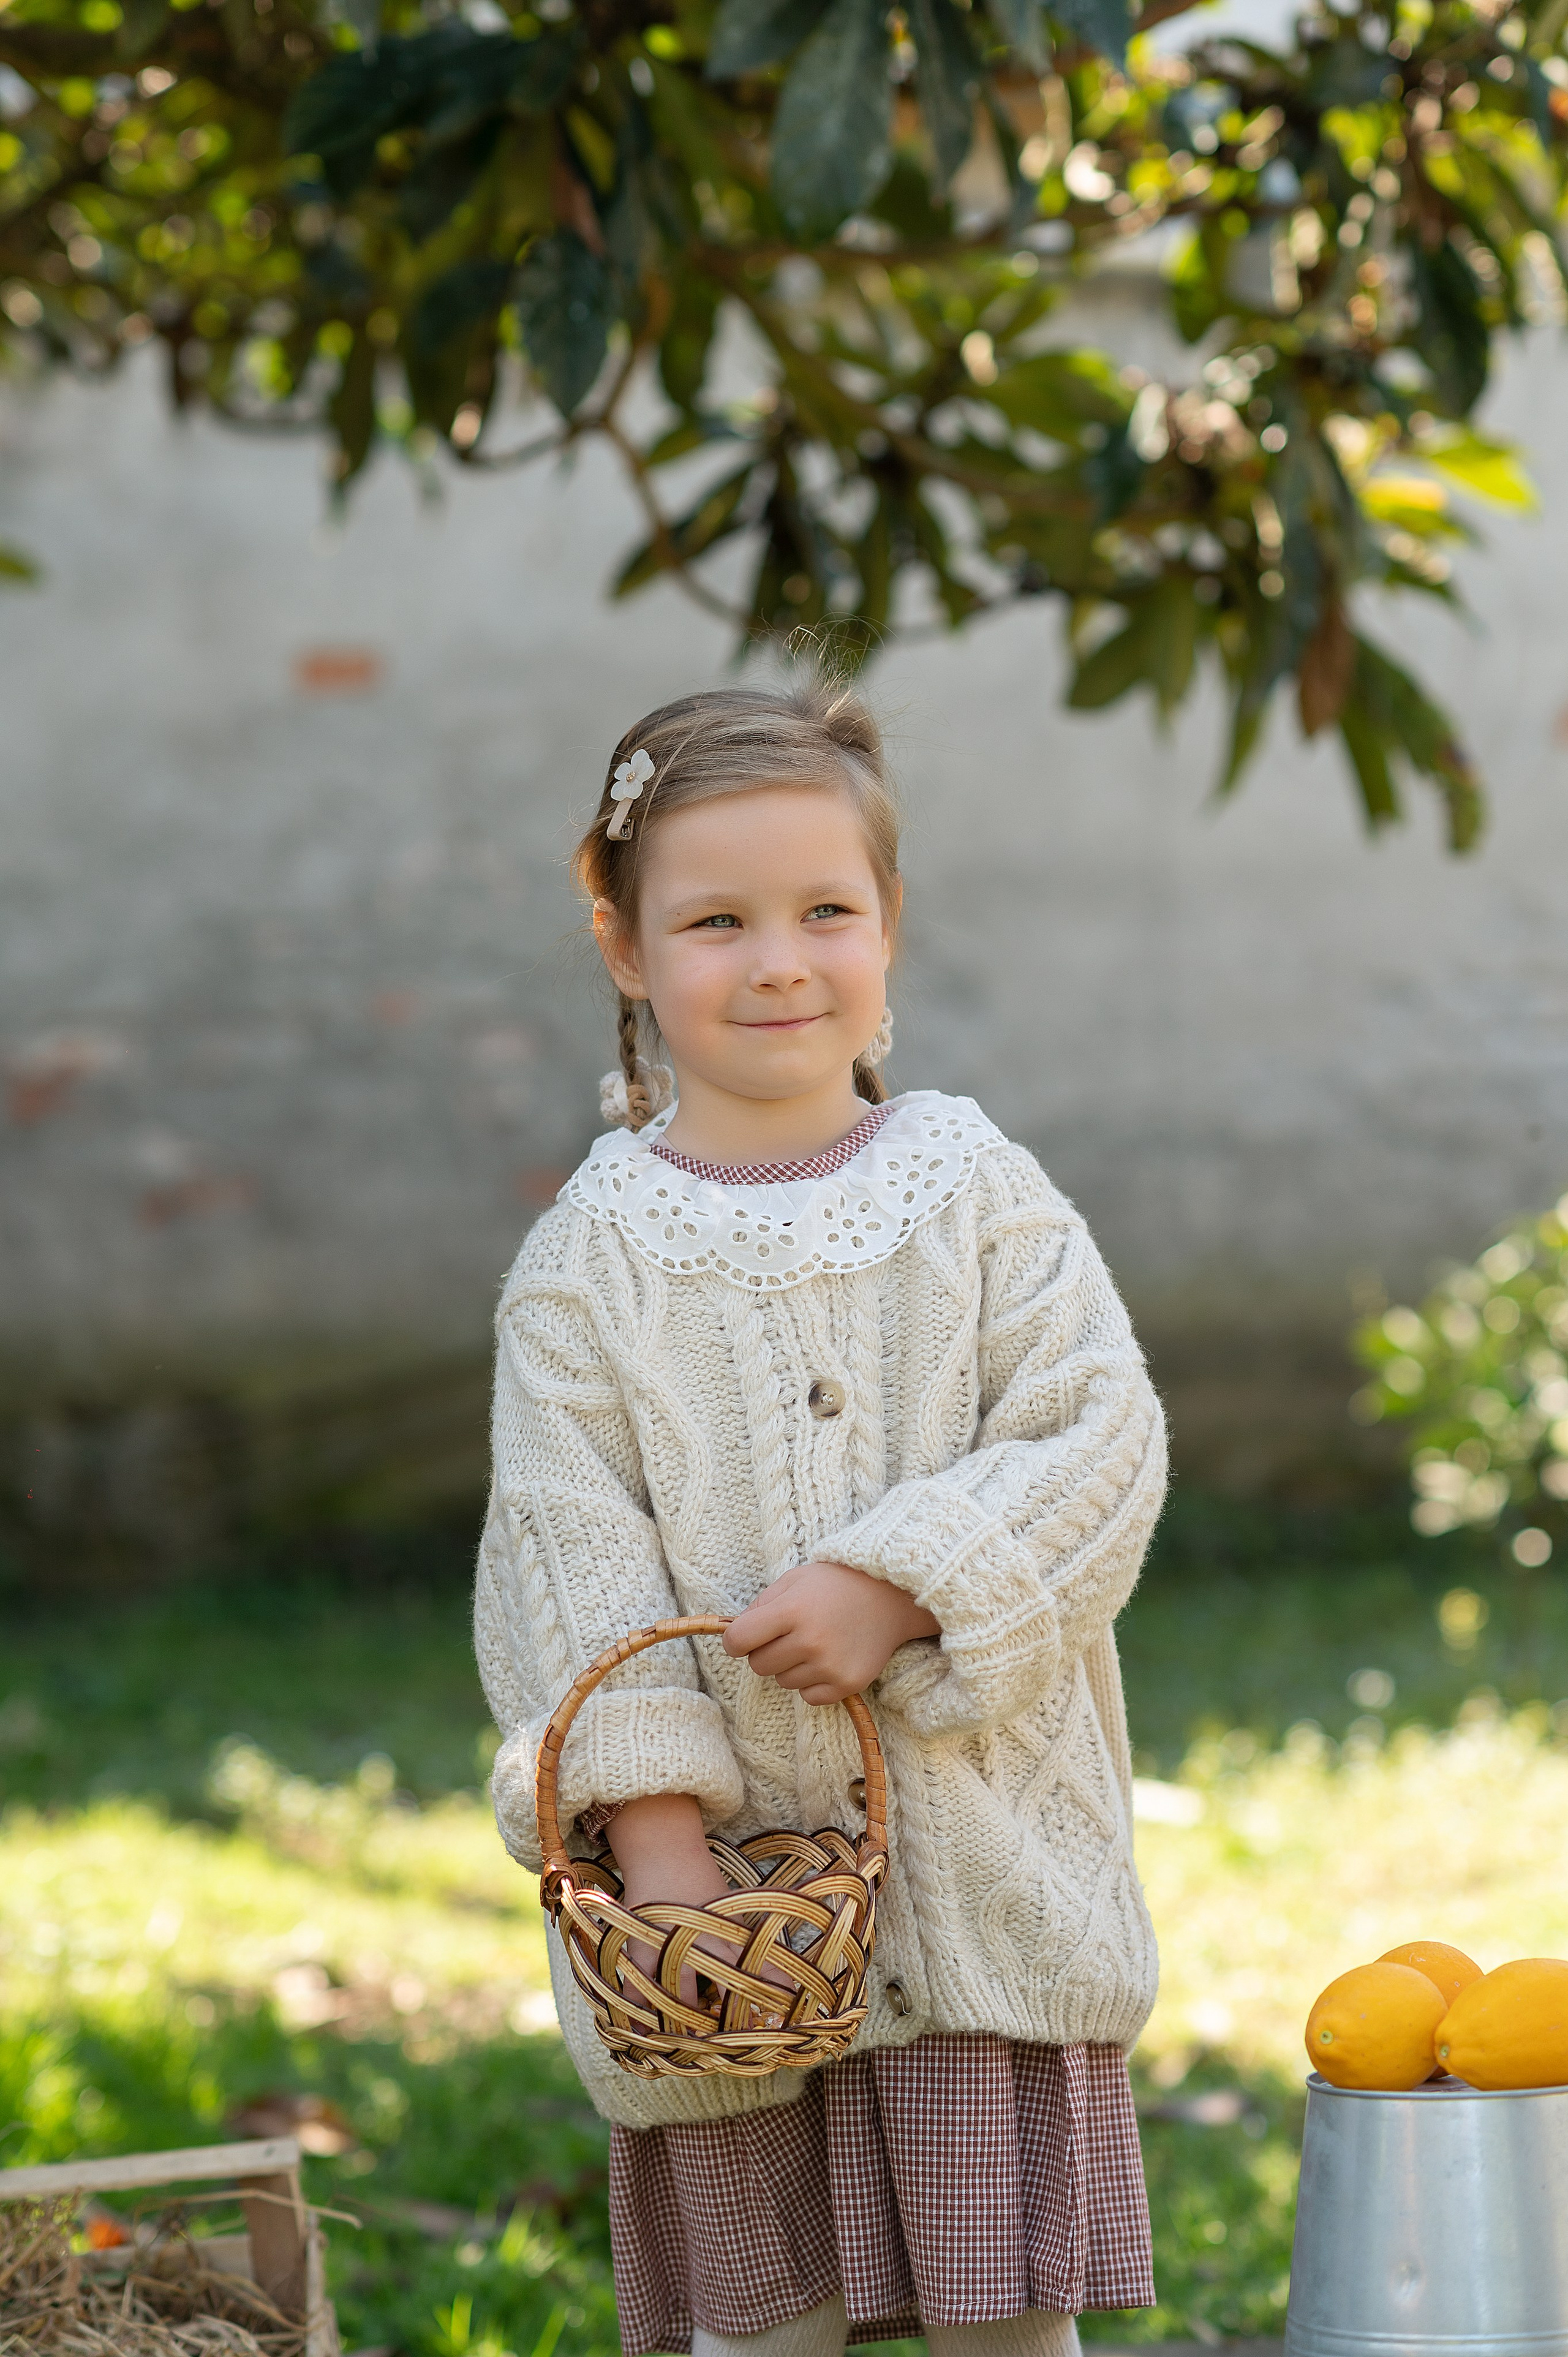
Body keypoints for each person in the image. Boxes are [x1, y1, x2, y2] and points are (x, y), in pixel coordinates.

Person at [475, 672, 1166, 2357]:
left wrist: (904, 1582)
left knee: (1005, 2319)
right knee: (762, 2324)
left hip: (977, 1874)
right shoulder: (588, 1265)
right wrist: (661, 1852)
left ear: (890, 926)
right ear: (627, 949)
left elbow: (1099, 1436)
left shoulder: (976, 1190)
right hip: (727, 1930)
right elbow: (570, 1561)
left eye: (824, 911)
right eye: (714, 920)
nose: (779, 960)